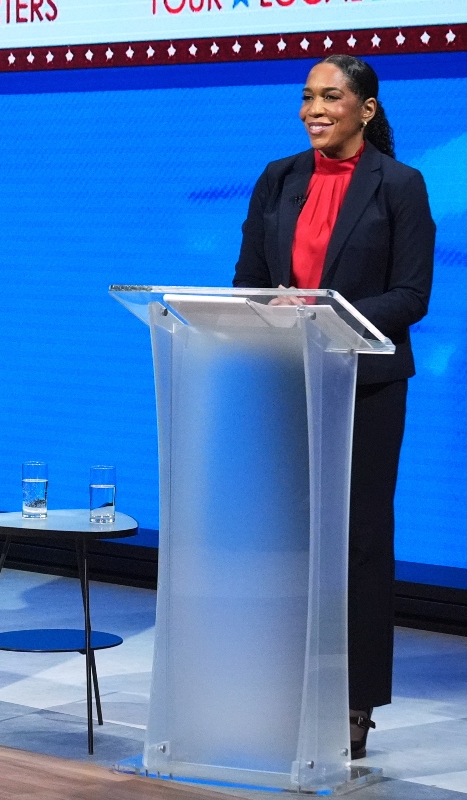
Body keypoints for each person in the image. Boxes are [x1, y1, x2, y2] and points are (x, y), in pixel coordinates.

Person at [233, 55, 435, 758]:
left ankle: (354, 702)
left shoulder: (400, 186)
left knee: (358, 544)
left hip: (367, 389)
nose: (312, 108)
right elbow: (249, 283)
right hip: (287, 381)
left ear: (366, 110)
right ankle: (281, 687)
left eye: (330, 96)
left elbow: (412, 296)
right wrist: (271, 312)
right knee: (288, 542)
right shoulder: (278, 178)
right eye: (307, 96)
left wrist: (325, 312)